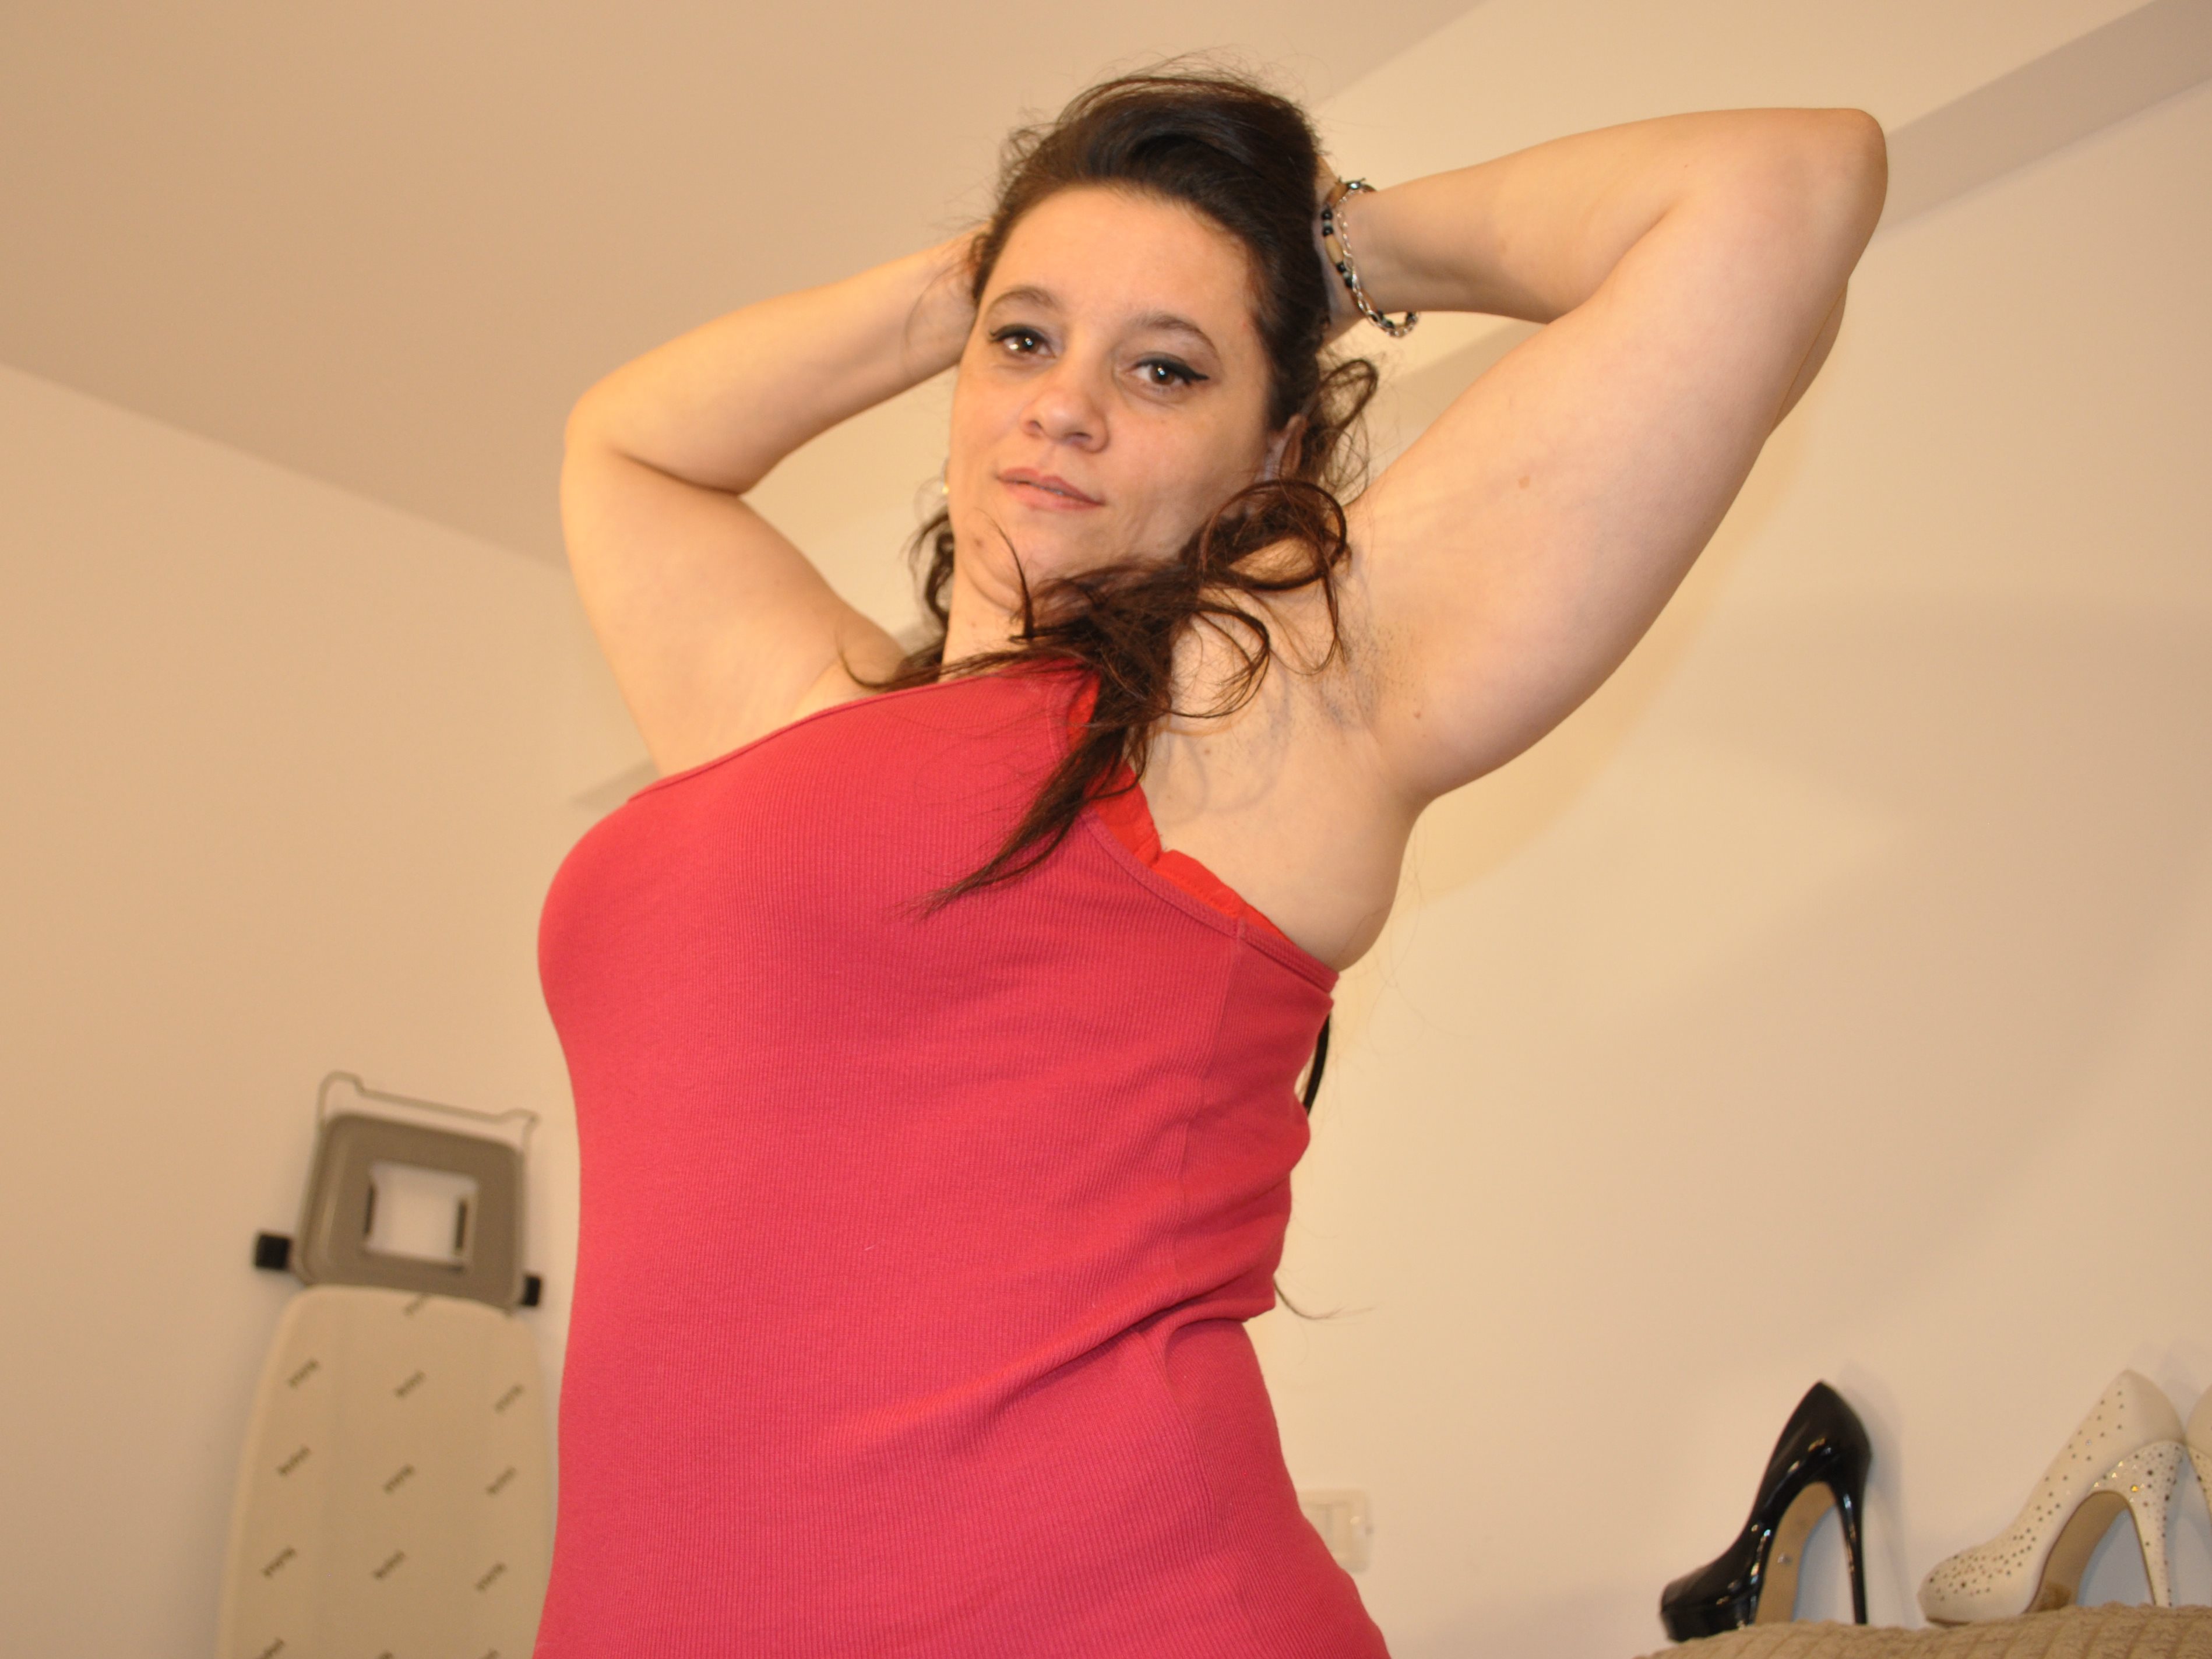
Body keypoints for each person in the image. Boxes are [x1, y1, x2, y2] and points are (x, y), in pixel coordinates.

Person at [534, 67, 1885, 1657]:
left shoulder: (1252, 710)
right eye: (1021, 345)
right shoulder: (797, 714)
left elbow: (1784, 189)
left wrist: (1332, 256)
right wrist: (991, 275)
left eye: (1164, 368)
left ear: (1271, 449)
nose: (1065, 404)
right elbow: (625, 450)